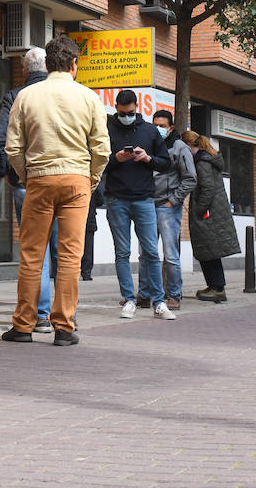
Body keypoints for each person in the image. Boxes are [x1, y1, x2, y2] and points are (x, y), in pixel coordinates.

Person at [1, 35, 110, 346]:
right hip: (77, 180)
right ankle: (64, 327)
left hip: (39, 179)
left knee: (32, 255)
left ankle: (23, 325)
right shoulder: (89, 98)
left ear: (47, 65)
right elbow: (101, 148)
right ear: (74, 64)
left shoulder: (26, 96)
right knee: (70, 256)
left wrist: (26, 175)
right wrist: (92, 178)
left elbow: (13, 147)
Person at [0, 47, 56, 330]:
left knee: (34, 249)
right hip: (68, 181)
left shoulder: (17, 96)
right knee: (65, 249)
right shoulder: (71, 93)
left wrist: (8, 172)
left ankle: (41, 315)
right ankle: (65, 314)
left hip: (29, 183)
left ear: (25, 69)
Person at [103, 90, 174, 320]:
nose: (126, 116)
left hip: (144, 198)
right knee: (122, 252)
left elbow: (166, 164)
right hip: (116, 199)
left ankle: (159, 302)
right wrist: (116, 159)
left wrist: (148, 159)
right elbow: (98, 163)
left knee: (151, 252)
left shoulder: (150, 131)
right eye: (123, 113)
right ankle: (129, 300)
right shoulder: (107, 129)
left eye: (131, 112)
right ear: (116, 108)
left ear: (136, 108)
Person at [140, 109, 196, 310]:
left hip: (167, 206)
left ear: (171, 127)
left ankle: (174, 295)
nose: (158, 129)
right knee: (146, 253)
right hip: (147, 204)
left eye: (162, 126)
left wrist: (173, 200)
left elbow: (190, 178)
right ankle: (144, 295)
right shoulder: (150, 144)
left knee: (170, 254)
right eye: (155, 124)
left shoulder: (180, 147)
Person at [181, 130, 240, 303]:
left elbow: (207, 188)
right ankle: (214, 285)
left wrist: (199, 210)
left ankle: (217, 288)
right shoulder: (206, 159)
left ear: (190, 146)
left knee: (210, 250)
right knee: (209, 250)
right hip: (212, 212)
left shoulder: (202, 162)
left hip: (208, 214)